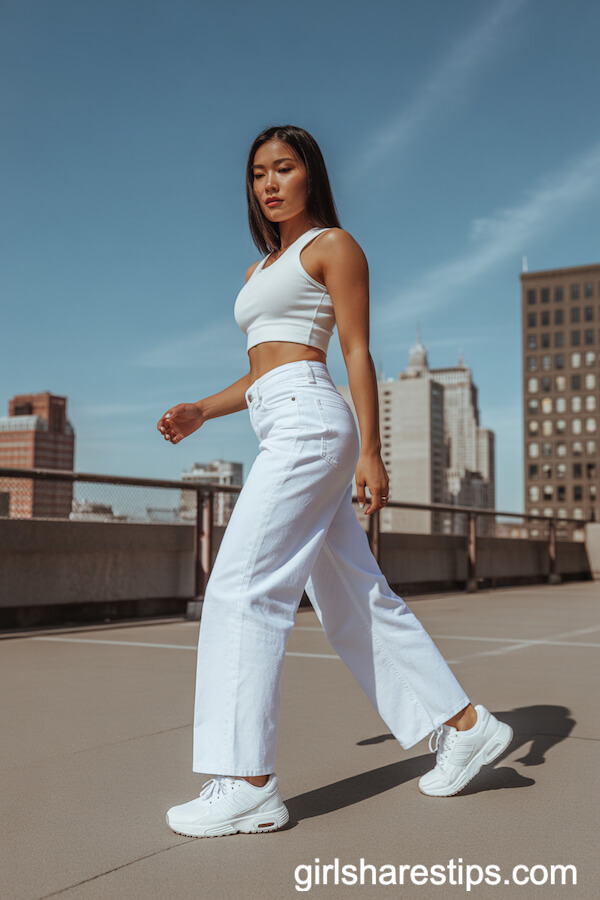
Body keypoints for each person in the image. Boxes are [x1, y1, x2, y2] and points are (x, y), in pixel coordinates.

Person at [157, 125, 512, 839]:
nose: (269, 183)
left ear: (310, 175)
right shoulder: (262, 269)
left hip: (314, 425)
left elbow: (354, 348)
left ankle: (247, 782)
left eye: (283, 168)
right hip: (277, 417)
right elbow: (265, 369)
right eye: (258, 172)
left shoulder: (334, 247)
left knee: (241, 588)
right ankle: (465, 726)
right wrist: (203, 408)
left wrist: (371, 453)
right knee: (354, 596)